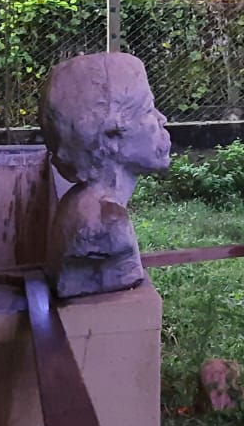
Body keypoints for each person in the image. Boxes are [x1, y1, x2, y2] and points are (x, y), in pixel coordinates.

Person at [39, 52, 170, 297]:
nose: (162, 119)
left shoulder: (78, 204)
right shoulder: (105, 225)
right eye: (148, 109)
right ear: (112, 136)